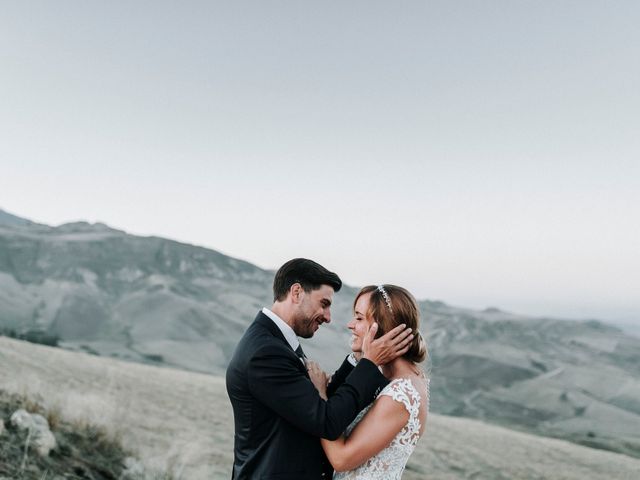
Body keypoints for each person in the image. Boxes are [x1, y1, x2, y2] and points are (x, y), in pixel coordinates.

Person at [225, 259, 415, 479]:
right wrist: (369, 364)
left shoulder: (275, 343)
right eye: (323, 303)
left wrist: (355, 361)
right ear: (296, 293)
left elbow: (308, 407)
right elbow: (325, 421)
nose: (328, 317)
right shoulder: (265, 352)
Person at [308, 284, 430, 480]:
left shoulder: (401, 393)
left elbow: (341, 459)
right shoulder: (392, 379)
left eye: (358, 317)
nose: (350, 325)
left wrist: (319, 395)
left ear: (384, 327)